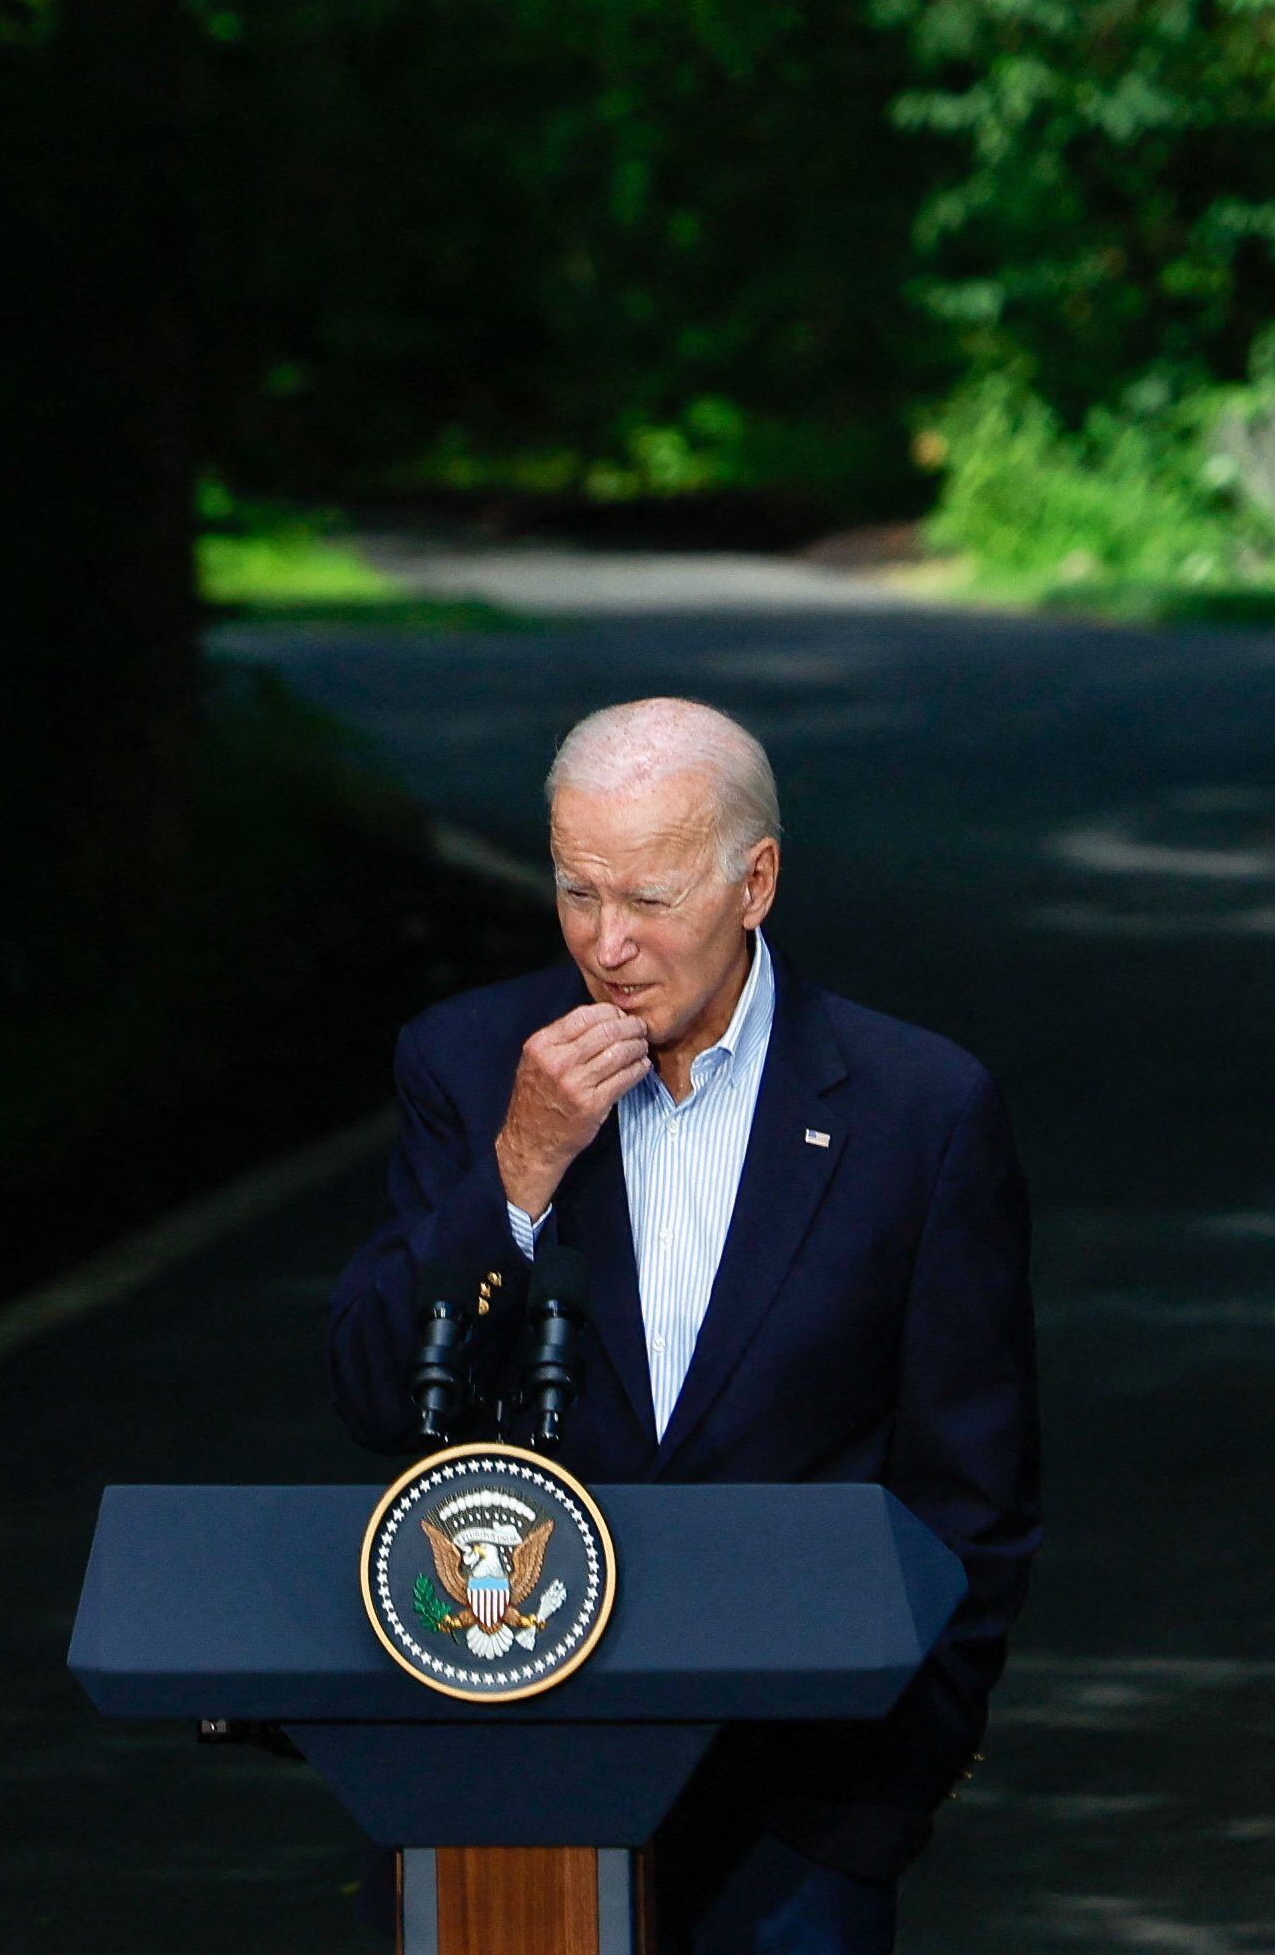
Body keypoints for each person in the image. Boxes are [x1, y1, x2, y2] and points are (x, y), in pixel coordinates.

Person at [330, 698, 1040, 1955]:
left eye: (650, 899)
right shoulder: (471, 1060)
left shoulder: (918, 1107)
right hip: (516, 1785)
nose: (608, 945)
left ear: (753, 880)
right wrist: (519, 1168)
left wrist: (885, 1796)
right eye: (576, 894)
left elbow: (971, 1492)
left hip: (801, 1818)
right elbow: (384, 1393)